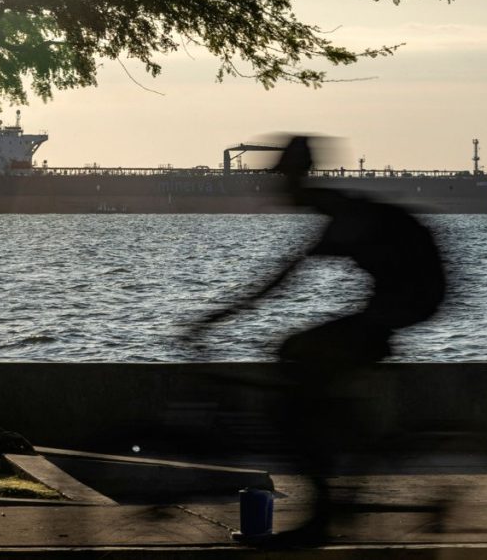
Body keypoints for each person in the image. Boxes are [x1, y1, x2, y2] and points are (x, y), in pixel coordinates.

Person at [187, 136, 446, 545]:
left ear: (296, 177)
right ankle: (341, 440)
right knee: (301, 368)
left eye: (283, 180)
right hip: (399, 300)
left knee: (294, 385)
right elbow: (288, 273)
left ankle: (321, 516)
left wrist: (215, 319)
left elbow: (282, 279)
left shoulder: (344, 215)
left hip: (410, 302)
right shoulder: (338, 210)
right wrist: (222, 317)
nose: (279, 191)